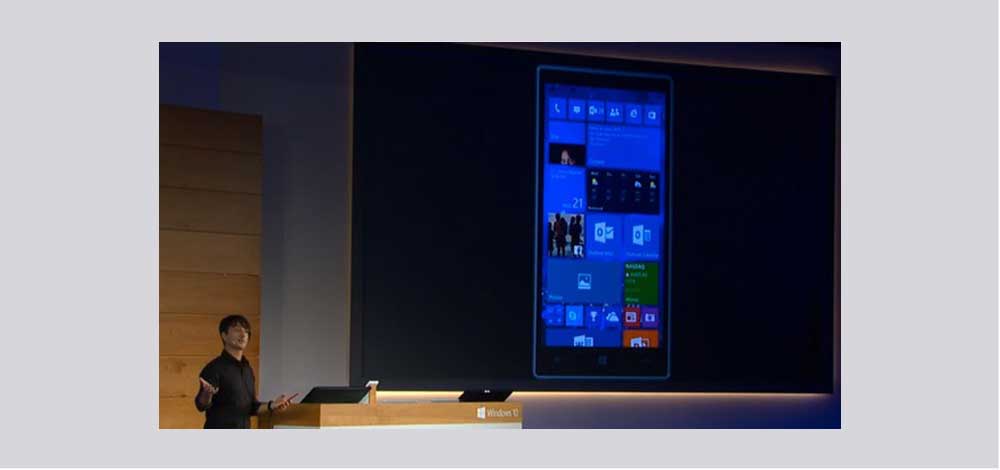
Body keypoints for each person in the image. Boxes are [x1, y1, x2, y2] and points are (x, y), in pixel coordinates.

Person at [195, 314, 297, 429]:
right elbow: (201, 405)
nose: (243, 334)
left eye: (246, 331)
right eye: (237, 330)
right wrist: (206, 394)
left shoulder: (247, 370)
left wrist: (273, 405)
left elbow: (251, 407)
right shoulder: (214, 367)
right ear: (224, 335)